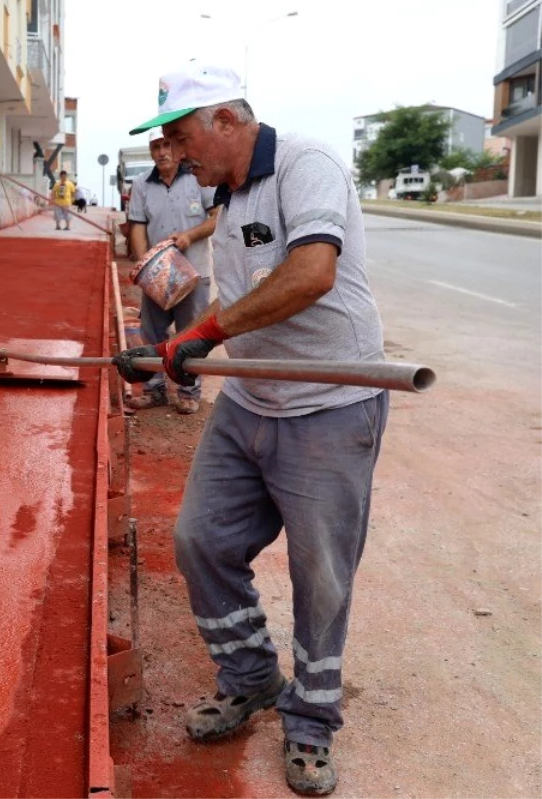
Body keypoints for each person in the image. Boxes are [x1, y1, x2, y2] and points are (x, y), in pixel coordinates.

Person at [113, 64, 389, 796]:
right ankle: (252, 677)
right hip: (253, 398)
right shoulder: (225, 195)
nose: (175, 152)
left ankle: (311, 722)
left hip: (332, 399)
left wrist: (200, 332)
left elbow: (310, 274)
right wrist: (163, 348)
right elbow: (227, 296)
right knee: (201, 538)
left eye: (181, 134)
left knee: (321, 573)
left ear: (227, 120)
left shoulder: (307, 163)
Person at [126, 126, 219, 414]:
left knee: (190, 334)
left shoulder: (198, 178)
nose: (162, 152)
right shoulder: (141, 184)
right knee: (153, 334)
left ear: (176, 148)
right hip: (158, 277)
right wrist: (146, 268)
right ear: (151, 151)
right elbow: (137, 228)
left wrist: (190, 235)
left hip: (194, 273)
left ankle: (188, 392)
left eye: (167, 145)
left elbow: (216, 218)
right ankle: (154, 391)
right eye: (156, 147)